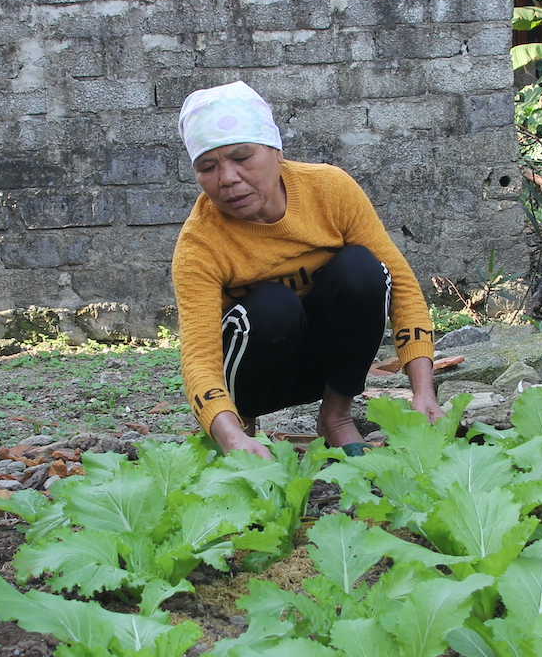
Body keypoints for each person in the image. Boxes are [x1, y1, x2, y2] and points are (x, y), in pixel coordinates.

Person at [169, 81, 443, 459]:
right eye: (208, 167)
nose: (227, 178)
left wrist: (424, 392)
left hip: (327, 364)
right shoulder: (199, 244)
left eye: (242, 157)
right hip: (253, 375)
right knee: (273, 305)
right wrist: (229, 435)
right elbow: (199, 357)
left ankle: (336, 417)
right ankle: (242, 432)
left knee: (363, 269)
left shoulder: (329, 190)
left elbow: (403, 286)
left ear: (276, 151)